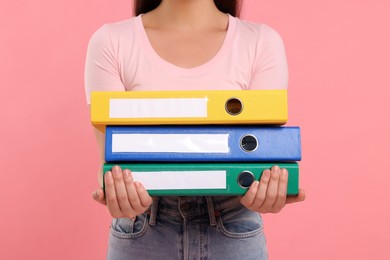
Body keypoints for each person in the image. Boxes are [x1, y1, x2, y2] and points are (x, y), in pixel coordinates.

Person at [84, 0, 306, 259]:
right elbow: (112, 163)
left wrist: (266, 187)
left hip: (234, 224)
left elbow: (261, 154)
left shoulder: (261, 42)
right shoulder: (111, 41)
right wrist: (119, 192)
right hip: (142, 227)